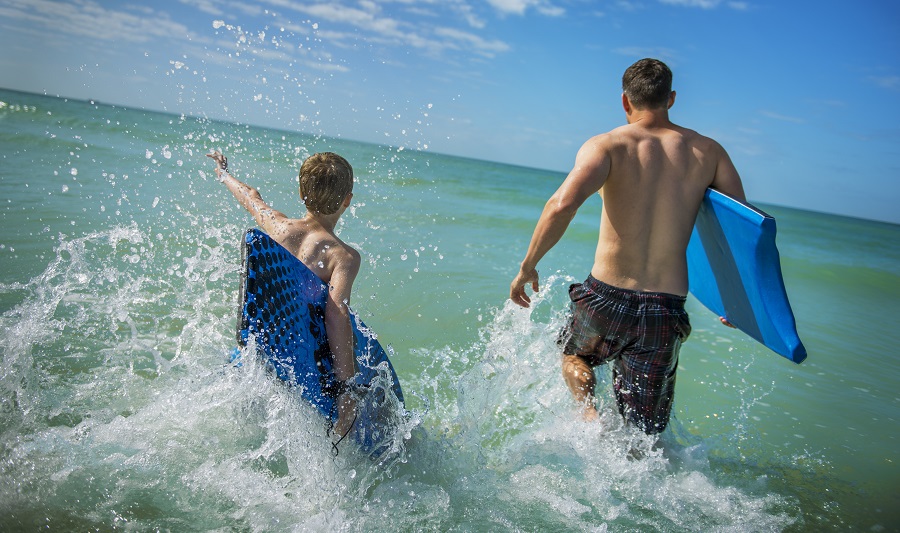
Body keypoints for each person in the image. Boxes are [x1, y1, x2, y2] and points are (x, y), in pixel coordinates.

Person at [509, 58, 746, 435]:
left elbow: (562, 205)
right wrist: (736, 301)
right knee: (645, 431)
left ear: (625, 101)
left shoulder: (608, 145)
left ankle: (588, 415)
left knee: (574, 354)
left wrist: (528, 265)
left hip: (606, 298)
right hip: (665, 310)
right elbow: (738, 232)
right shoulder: (709, 152)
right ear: (671, 98)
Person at [208, 150, 361, 445]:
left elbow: (251, 198)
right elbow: (335, 315)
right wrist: (346, 389)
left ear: (302, 193)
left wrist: (224, 174)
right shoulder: (343, 257)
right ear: (347, 200)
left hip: (253, 353)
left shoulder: (279, 227)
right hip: (296, 363)